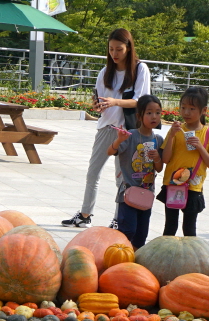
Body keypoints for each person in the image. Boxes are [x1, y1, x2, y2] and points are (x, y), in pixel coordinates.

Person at [62, 28, 150, 229]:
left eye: (119, 49)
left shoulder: (140, 69)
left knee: (123, 178)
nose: (114, 54)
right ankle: (85, 214)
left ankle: (119, 219)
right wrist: (99, 106)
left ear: (128, 48)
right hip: (105, 128)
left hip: (127, 131)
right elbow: (102, 103)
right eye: (111, 49)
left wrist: (115, 102)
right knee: (93, 173)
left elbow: (141, 101)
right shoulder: (105, 72)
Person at [158, 86, 209, 237]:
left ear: (203, 110)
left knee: (189, 230)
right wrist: (172, 136)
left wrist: (200, 146)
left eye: (192, 108)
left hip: (193, 187)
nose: (186, 112)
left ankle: (191, 261)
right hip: (172, 184)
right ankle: (166, 258)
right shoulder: (176, 130)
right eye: (183, 107)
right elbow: (165, 159)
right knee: (170, 228)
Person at [108, 95, 163, 249]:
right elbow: (110, 151)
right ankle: (119, 259)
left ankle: (134, 264)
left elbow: (159, 168)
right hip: (128, 194)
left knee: (141, 235)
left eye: (158, 112)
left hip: (146, 194)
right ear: (139, 116)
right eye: (149, 112)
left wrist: (158, 158)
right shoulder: (130, 136)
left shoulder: (158, 140)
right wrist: (119, 139)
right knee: (127, 231)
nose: (154, 116)